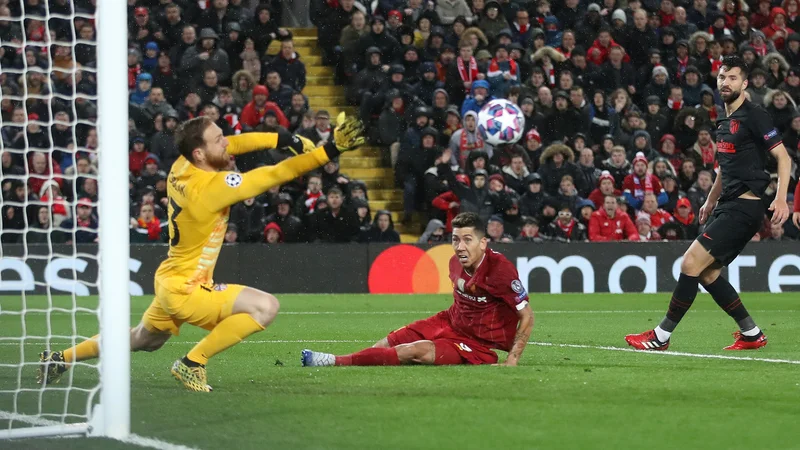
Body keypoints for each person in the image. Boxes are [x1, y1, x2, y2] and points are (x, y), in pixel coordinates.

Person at [38, 114, 366, 392]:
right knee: (266, 307)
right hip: (188, 289)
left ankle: (60, 358)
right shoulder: (212, 188)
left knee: (143, 339)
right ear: (200, 152)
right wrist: (330, 149)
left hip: (170, 278)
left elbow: (235, 144)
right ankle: (193, 362)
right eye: (218, 139)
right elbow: (275, 174)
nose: (227, 142)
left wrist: (283, 138)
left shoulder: (182, 166)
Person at [626, 56, 792, 351]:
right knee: (707, 273)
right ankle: (751, 333)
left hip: (745, 206)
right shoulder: (724, 122)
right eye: (722, 77)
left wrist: (781, 197)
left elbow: (783, 157)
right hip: (728, 204)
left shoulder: (755, 115)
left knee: (690, 263)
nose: (726, 82)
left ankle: (660, 336)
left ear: (744, 84)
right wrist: (711, 199)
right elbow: (723, 166)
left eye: (732, 78)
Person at [301, 212, 534, 367]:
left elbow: (527, 316)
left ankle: (332, 361)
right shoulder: (455, 262)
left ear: (483, 243)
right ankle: (359, 361)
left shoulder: (500, 271)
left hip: (476, 344)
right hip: (449, 321)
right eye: (455, 239)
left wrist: (512, 359)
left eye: (467, 240)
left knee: (413, 351)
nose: (459, 247)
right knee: (386, 342)